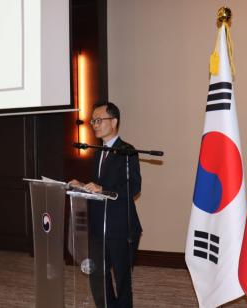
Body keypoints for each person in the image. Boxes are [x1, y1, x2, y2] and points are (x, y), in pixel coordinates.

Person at [70, 102, 142, 308]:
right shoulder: (97, 152)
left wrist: (103, 190)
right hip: (97, 227)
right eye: (93, 120)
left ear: (114, 121)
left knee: (122, 281)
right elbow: (99, 187)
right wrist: (83, 186)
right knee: (98, 277)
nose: (94, 124)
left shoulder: (127, 151)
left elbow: (133, 187)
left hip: (121, 227)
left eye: (99, 120)